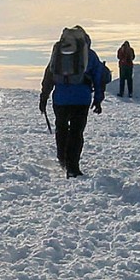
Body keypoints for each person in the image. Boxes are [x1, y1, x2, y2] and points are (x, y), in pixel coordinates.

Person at [39, 25, 107, 178]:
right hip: (81, 99)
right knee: (76, 132)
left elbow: (49, 74)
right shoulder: (89, 55)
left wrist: (44, 96)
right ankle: (72, 166)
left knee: (61, 128)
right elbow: (98, 78)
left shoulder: (58, 52)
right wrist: (98, 100)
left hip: (60, 99)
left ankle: (62, 159)